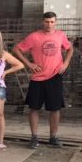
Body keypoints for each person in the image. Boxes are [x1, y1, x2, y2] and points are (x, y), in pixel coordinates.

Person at [12, 12, 74, 149]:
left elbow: (70, 48)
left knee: (55, 108)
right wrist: (29, 64)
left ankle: (53, 137)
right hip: (38, 78)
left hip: (55, 76)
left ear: (56, 22)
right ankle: (34, 137)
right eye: (47, 22)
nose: (49, 24)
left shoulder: (60, 35)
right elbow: (16, 49)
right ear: (42, 22)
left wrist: (65, 63)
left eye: (52, 22)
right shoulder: (34, 36)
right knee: (34, 108)